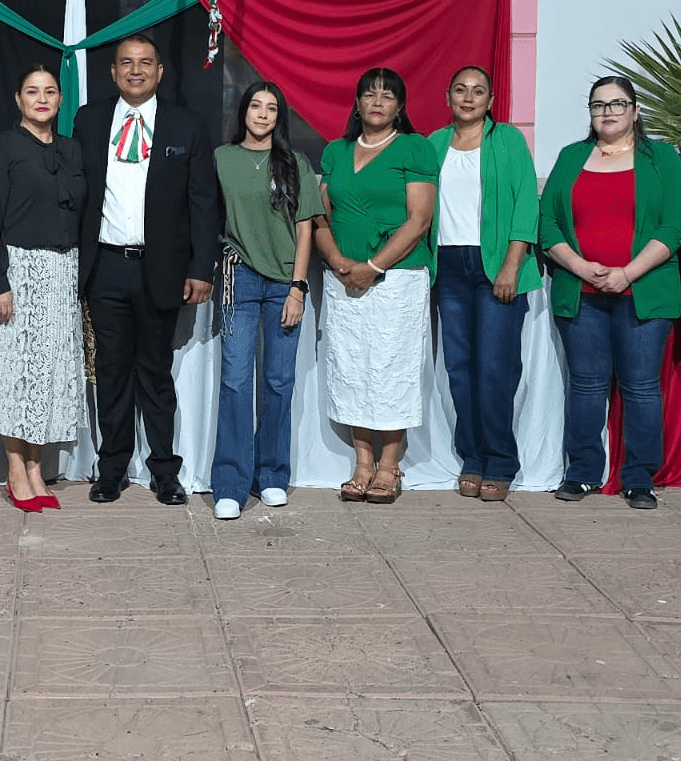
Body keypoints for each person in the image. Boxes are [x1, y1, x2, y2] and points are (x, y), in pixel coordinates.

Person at [73, 34, 218, 506]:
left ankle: (164, 471)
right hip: (106, 266)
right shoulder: (90, 120)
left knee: (156, 372)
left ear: (160, 72)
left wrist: (201, 268)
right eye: (126, 63)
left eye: (145, 63)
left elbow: (202, 202)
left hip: (161, 268)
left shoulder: (186, 125)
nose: (135, 70)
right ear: (112, 73)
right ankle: (111, 469)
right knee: (112, 373)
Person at [538, 75, 681, 510]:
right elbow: (547, 223)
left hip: (644, 290)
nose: (607, 111)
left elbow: (675, 224)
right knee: (586, 385)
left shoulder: (660, 157)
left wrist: (628, 273)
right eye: (598, 104)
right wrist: (580, 266)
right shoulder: (571, 157)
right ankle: (582, 472)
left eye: (617, 103)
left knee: (641, 386)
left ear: (635, 110)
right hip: (580, 291)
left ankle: (640, 477)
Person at [314, 67, 437, 505]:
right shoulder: (335, 151)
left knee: (391, 367)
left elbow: (418, 221)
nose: (378, 101)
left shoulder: (415, 148)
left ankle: (390, 465)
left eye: (388, 96)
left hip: (397, 277)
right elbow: (320, 215)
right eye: (370, 94)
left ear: (400, 106)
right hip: (343, 276)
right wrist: (338, 261)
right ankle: (362, 463)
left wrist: (373, 265)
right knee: (351, 367)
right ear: (358, 103)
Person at [0, 66, 87, 511]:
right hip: (16, 272)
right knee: (13, 374)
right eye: (32, 91)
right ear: (18, 99)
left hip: (61, 272)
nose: (42, 98)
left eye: (50, 91)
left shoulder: (72, 150)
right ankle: (15, 468)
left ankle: (37, 466)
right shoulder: (0, 149)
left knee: (47, 374)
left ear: (60, 99)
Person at [426, 65, 541, 502]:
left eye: (478, 91)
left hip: (495, 265)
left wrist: (512, 264)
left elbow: (524, 204)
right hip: (449, 266)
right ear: (448, 97)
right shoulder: (434, 144)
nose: (469, 97)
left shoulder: (507, 140)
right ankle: (471, 456)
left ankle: (501, 460)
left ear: (491, 101)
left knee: (495, 368)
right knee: (459, 368)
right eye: (460, 90)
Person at [209, 81, 322, 520]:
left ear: (279, 117)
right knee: (235, 380)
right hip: (240, 278)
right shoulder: (223, 159)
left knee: (277, 381)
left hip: (284, 284)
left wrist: (298, 287)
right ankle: (231, 484)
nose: (262, 114)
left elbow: (306, 228)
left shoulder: (295, 162)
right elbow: (207, 213)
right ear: (243, 112)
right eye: (255, 106)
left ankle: (273, 475)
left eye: (271, 108)